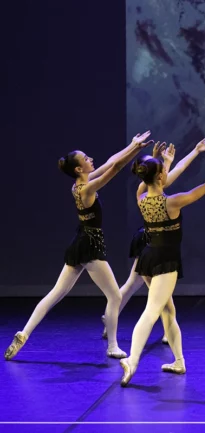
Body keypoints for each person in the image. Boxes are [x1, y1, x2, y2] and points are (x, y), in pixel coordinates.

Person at [4, 132, 152, 361]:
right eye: (86, 158)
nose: (90, 159)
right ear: (78, 169)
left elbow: (110, 162)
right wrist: (134, 151)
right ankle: (112, 346)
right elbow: (113, 167)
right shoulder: (86, 189)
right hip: (90, 245)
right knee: (114, 296)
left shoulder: (79, 185)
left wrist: (133, 146)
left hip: (81, 241)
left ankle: (23, 334)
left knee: (56, 293)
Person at [119, 149, 205, 386]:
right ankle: (133, 359)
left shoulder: (140, 196)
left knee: (168, 312)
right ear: (160, 177)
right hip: (165, 262)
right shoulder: (172, 202)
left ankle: (179, 361)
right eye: (163, 172)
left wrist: (162, 162)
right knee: (152, 311)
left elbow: (155, 177)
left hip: (148, 258)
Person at [101, 139, 205, 342]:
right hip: (152, 241)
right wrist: (178, 157)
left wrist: (188, 153)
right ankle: (114, 319)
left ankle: (114, 319)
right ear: (158, 174)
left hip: (148, 238)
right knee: (142, 288)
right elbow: (167, 178)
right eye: (161, 168)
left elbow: (166, 175)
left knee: (136, 286)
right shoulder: (158, 194)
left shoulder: (142, 194)